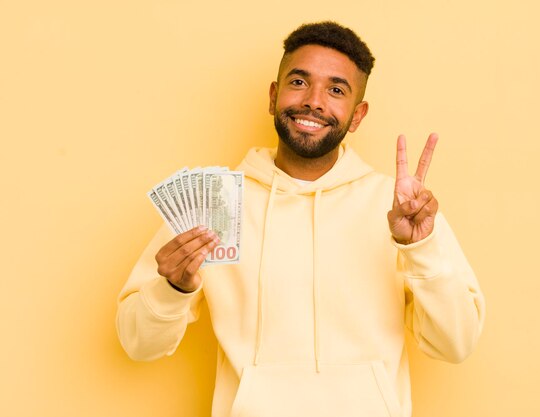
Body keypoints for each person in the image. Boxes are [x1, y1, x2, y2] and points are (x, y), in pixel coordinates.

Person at [117, 21, 485, 417]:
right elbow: (138, 344)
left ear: (357, 115)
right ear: (273, 96)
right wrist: (172, 288)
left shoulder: (401, 210)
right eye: (298, 82)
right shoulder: (212, 203)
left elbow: (456, 344)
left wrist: (420, 250)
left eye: (336, 90)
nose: (314, 101)